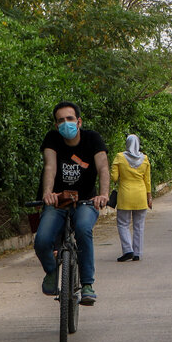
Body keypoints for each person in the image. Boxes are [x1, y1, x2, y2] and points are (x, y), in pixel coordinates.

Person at [34, 101, 109, 305]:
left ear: (78, 121)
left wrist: (103, 195)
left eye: (69, 118)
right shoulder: (52, 139)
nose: (65, 123)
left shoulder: (92, 139)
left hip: (86, 201)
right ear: (56, 124)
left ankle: (87, 284)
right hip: (59, 200)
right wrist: (48, 193)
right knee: (42, 240)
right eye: (60, 120)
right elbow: (50, 167)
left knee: (84, 229)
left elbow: (103, 168)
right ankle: (51, 271)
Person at [111, 134, 152, 262]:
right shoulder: (144, 158)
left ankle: (128, 250)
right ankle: (137, 253)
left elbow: (114, 177)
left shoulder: (120, 157)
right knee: (139, 225)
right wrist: (149, 196)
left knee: (123, 223)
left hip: (125, 194)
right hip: (140, 194)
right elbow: (148, 180)